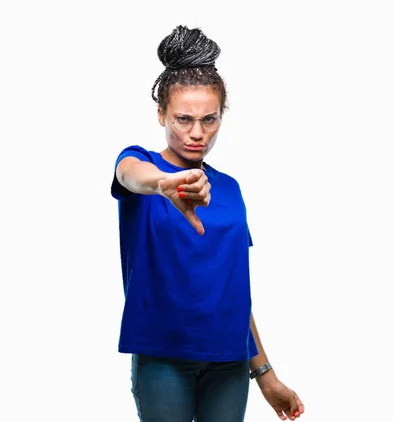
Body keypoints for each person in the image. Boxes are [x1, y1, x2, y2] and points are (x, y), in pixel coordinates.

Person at [110, 25, 304, 422]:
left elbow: (234, 293)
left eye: (209, 119)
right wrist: (163, 184)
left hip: (230, 362)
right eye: (183, 119)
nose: (197, 133)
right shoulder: (141, 164)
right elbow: (130, 175)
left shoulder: (229, 189)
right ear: (161, 113)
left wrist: (264, 373)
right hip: (164, 357)